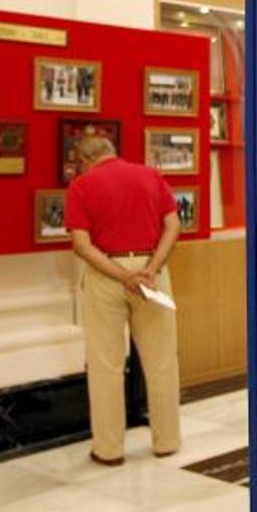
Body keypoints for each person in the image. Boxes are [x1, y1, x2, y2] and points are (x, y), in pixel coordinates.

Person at [64, 135, 182, 465]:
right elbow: (173, 226)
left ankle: (109, 448)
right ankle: (166, 441)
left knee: (106, 366)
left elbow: (82, 246)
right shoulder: (151, 176)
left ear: (85, 160)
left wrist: (122, 275)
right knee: (161, 363)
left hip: (106, 274)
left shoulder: (82, 186)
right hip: (152, 273)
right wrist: (150, 269)